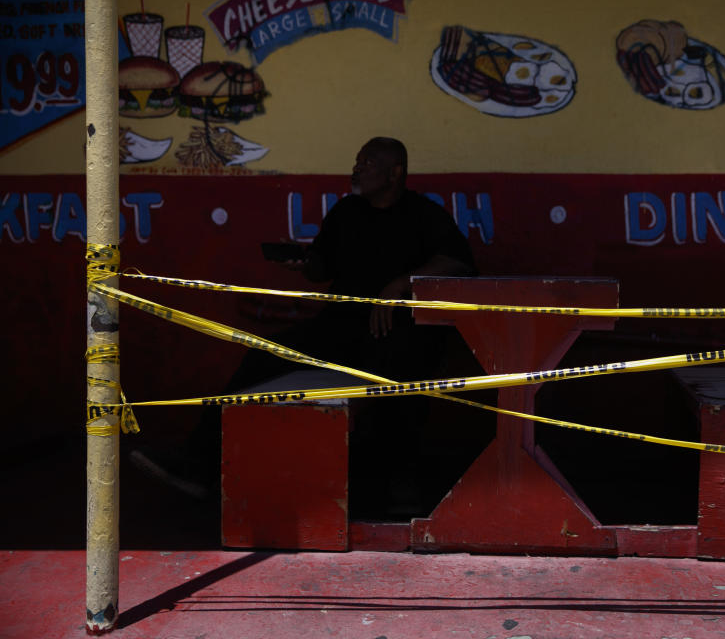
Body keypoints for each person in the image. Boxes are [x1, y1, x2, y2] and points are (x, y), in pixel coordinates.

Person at [131, 137, 476, 512]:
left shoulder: (422, 215)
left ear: (395, 173)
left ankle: (398, 487)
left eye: (368, 162)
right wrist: (304, 264)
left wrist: (399, 284)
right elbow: (321, 267)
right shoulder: (347, 212)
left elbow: (459, 262)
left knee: (400, 377)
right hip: (338, 327)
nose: (357, 168)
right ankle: (196, 465)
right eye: (357, 160)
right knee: (260, 359)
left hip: (394, 333)